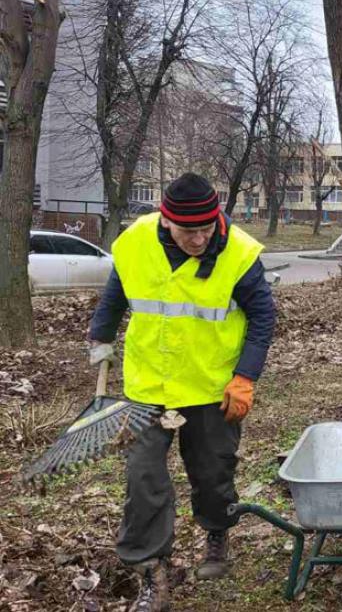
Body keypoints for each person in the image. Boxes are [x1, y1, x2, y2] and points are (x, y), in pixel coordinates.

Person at [88, 173, 276, 612]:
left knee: (213, 473)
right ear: (165, 221)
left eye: (206, 229)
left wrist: (245, 377)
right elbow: (117, 293)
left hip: (210, 386)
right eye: (188, 231)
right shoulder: (135, 242)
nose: (199, 239)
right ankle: (151, 569)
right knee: (143, 476)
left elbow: (263, 318)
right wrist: (101, 336)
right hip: (148, 384)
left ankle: (217, 533)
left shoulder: (239, 254)